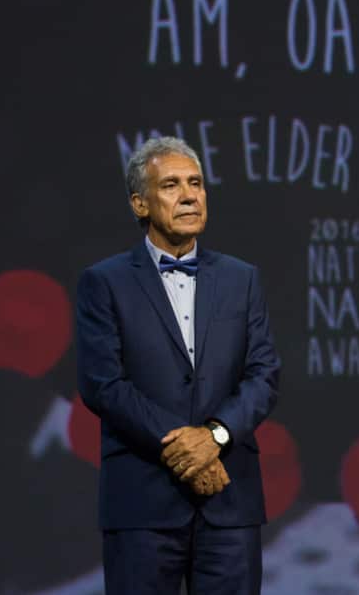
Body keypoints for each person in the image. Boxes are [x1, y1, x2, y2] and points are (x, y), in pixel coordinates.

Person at [76, 136, 280, 595]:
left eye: (196, 183)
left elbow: (264, 373)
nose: (190, 195)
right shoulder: (104, 282)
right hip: (143, 502)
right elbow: (103, 383)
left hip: (229, 501)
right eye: (171, 185)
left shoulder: (241, 278)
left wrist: (215, 436)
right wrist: (185, 448)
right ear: (139, 204)